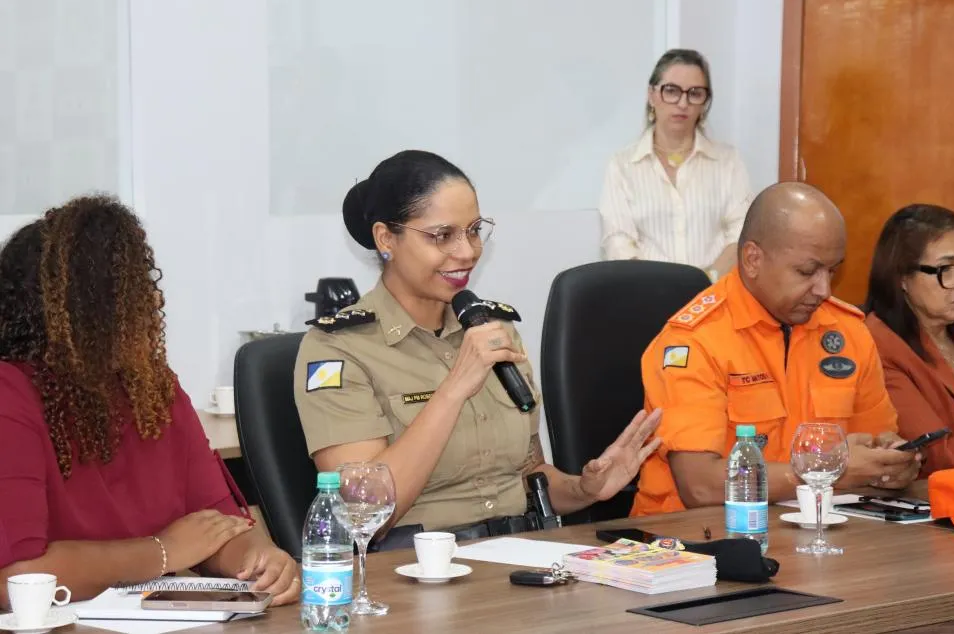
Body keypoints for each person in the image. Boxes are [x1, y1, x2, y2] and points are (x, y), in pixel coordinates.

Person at [294, 150, 662, 544]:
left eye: (473, 230)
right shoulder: (339, 350)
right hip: (415, 568)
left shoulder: (493, 329)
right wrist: (454, 388)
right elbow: (365, 514)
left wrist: (585, 489)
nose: (467, 251)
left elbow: (527, 475)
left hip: (520, 557)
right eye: (442, 235)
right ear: (387, 238)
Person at [0, 196, 297, 607]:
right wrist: (162, 552)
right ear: (82, 312)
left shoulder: (152, 389)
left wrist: (259, 561)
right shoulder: (10, 396)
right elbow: (18, 576)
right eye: (134, 293)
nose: (154, 303)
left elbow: (217, 526)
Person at [632, 182, 921, 516]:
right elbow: (700, 486)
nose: (824, 289)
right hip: (691, 542)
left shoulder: (847, 330)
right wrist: (830, 469)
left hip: (815, 530)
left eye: (832, 270)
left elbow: (875, 443)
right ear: (753, 259)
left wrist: (892, 463)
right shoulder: (695, 341)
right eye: (807, 271)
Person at [599, 49, 756, 282]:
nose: (683, 103)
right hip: (647, 298)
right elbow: (618, 243)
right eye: (671, 91)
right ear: (652, 95)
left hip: (715, 298)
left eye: (695, 93)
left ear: (705, 102)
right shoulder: (622, 165)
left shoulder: (728, 161)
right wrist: (663, 291)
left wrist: (704, 282)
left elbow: (742, 235)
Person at [865, 204, 954, 472]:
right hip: (943, 503)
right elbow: (936, 451)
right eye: (946, 268)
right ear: (902, 277)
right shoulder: (876, 346)